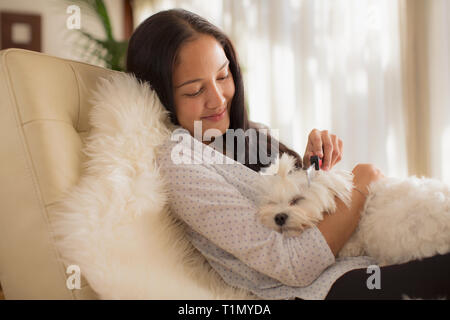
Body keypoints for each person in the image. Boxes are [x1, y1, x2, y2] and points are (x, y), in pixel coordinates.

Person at [126, 8, 450, 300]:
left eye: (223, 76)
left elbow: (298, 213)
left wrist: (311, 170)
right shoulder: (179, 162)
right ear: (161, 95)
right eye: (195, 90)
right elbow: (291, 264)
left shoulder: (250, 136)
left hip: (357, 262)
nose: (218, 99)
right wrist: (361, 184)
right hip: (318, 290)